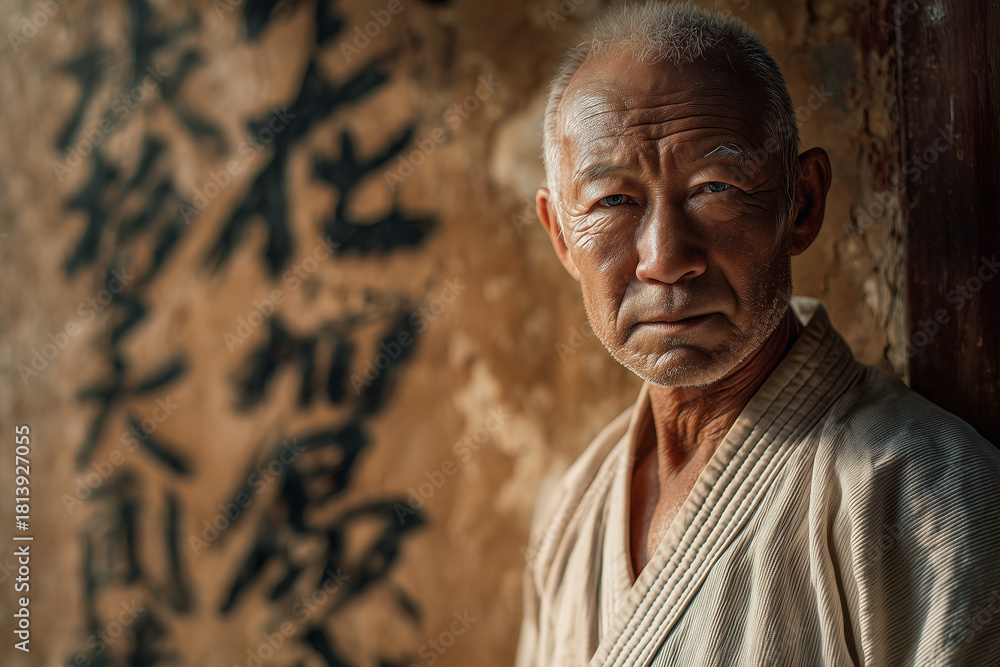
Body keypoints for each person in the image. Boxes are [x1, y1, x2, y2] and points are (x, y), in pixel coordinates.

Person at [514, 3, 1000, 666]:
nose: (663, 256)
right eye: (613, 200)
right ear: (561, 236)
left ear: (800, 204)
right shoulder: (571, 513)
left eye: (715, 186)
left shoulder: (923, 487)